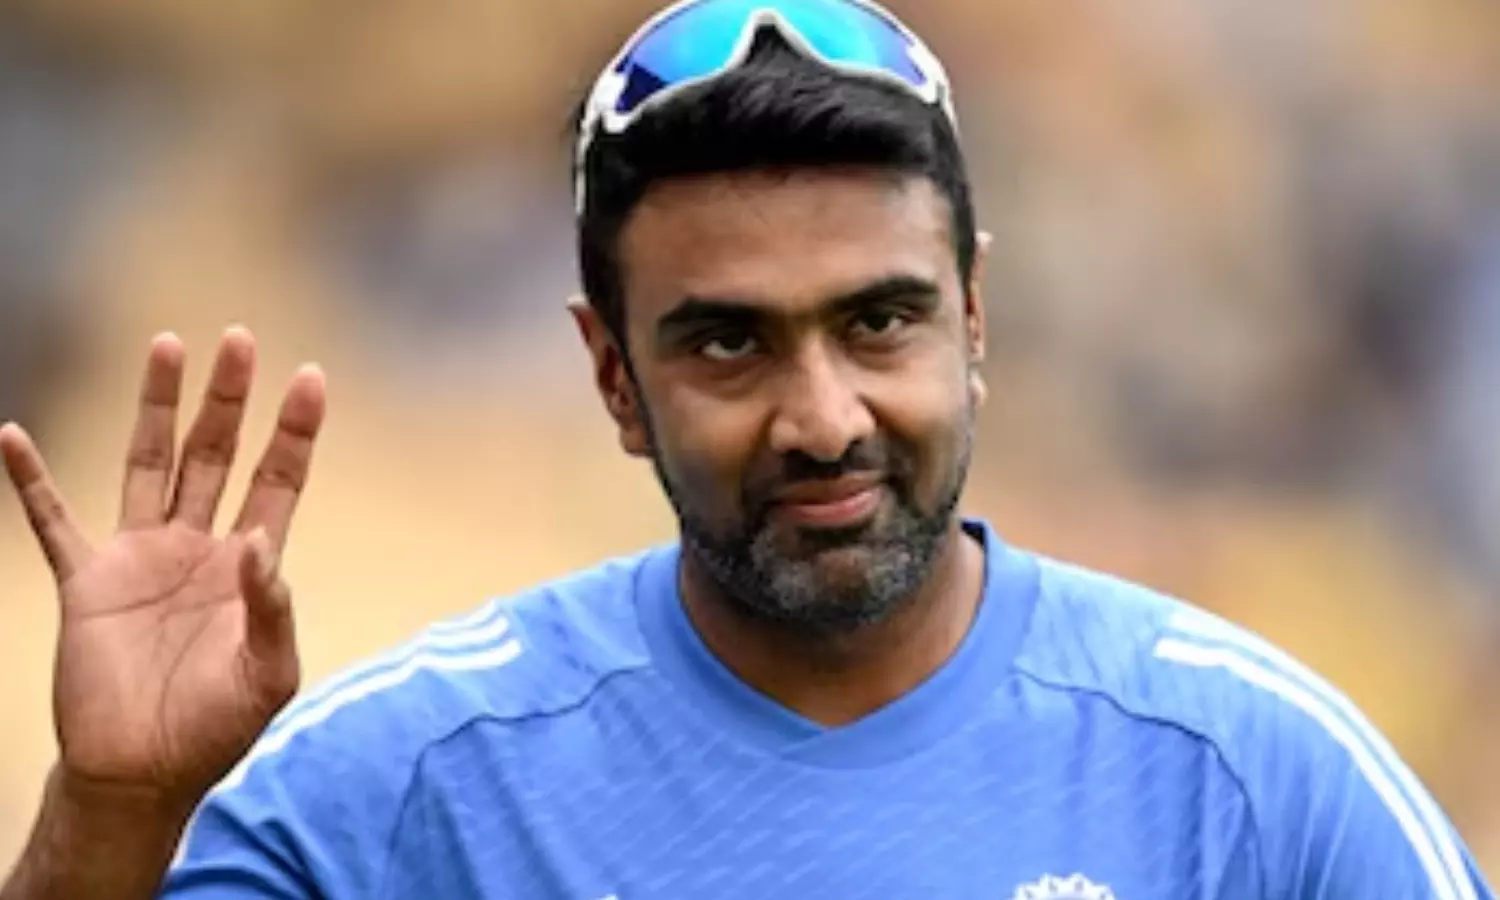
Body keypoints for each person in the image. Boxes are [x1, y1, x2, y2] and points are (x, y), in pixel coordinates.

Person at [0, 0, 1494, 897]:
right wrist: (113, 812)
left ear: (974, 317)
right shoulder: (408, 790)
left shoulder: (1244, 776)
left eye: (881, 322)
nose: (824, 418)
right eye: (729, 343)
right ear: (613, 376)